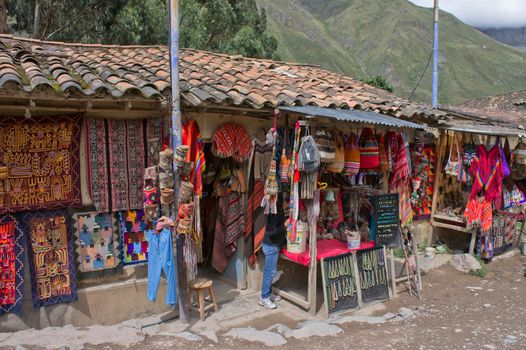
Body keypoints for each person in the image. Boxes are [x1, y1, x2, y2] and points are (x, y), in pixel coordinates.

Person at [259, 192, 287, 309]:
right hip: (270, 246)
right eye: (285, 201)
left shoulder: (276, 211)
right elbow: (271, 232)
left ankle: (268, 294)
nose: (286, 204)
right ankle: (264, 297)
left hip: (273, 245)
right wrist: (284, 226)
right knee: (269, 272)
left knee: (271, 271)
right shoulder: (272, 213)